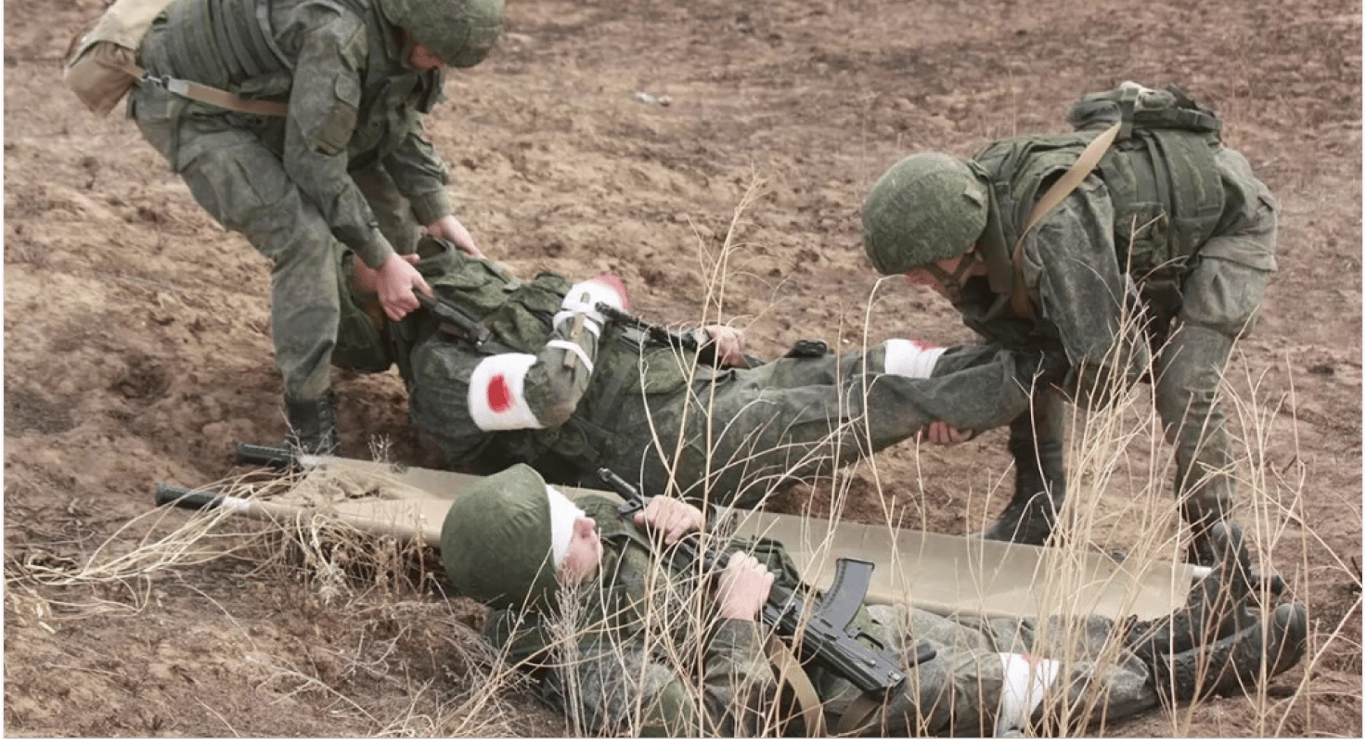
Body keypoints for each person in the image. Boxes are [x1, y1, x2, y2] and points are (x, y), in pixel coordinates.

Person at [439, 464, 1307, 737]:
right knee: (999, 682)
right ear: (548, 576)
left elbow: (743, 556)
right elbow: (719, 728)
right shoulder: (597, 669)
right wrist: (738, 628)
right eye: (571, 533)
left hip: (825, 619)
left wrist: (695, 525)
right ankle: (1177, 678)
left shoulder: (575, 539)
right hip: (824, 695)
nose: (587, 523)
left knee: (1001, 622)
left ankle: (1168, 624)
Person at [859, 83, 1279, 563]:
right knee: (1035, 353)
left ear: (957, 241)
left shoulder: (1053, 234)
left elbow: (1110, 369)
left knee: (1182, 383)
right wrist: (970, 416)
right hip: (1138, 245)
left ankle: (1219, 545)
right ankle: (1038, 512)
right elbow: (1020, 351)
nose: (914, 280)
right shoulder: (974, 220)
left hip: (1229, 226)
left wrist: (987, 402)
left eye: (919, 267)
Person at [330, 235, 1060, 508]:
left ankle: (1021, 356)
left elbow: (593, 350)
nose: (391, 239)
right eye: (370, 254)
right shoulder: (441, 377)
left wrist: (689, 340)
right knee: (883, 396)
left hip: (689, 392)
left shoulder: (474, 309)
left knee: (893, 362)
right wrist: (588, 301)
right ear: (377, 311)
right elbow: (551, 395)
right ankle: (1054, 363)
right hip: (675, 448)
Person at [127, 0, 505, 453]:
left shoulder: (407, 24)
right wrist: (379, 258)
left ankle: (370, 343)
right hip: (193, 104)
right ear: (409, 24)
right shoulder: (336, 31)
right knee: (302, 238)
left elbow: (391, 115)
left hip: (274, 97)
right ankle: (308, 422)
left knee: (398, 229)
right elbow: (315, 164)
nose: (439, 65)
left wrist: (436, 211)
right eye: (437, 53)